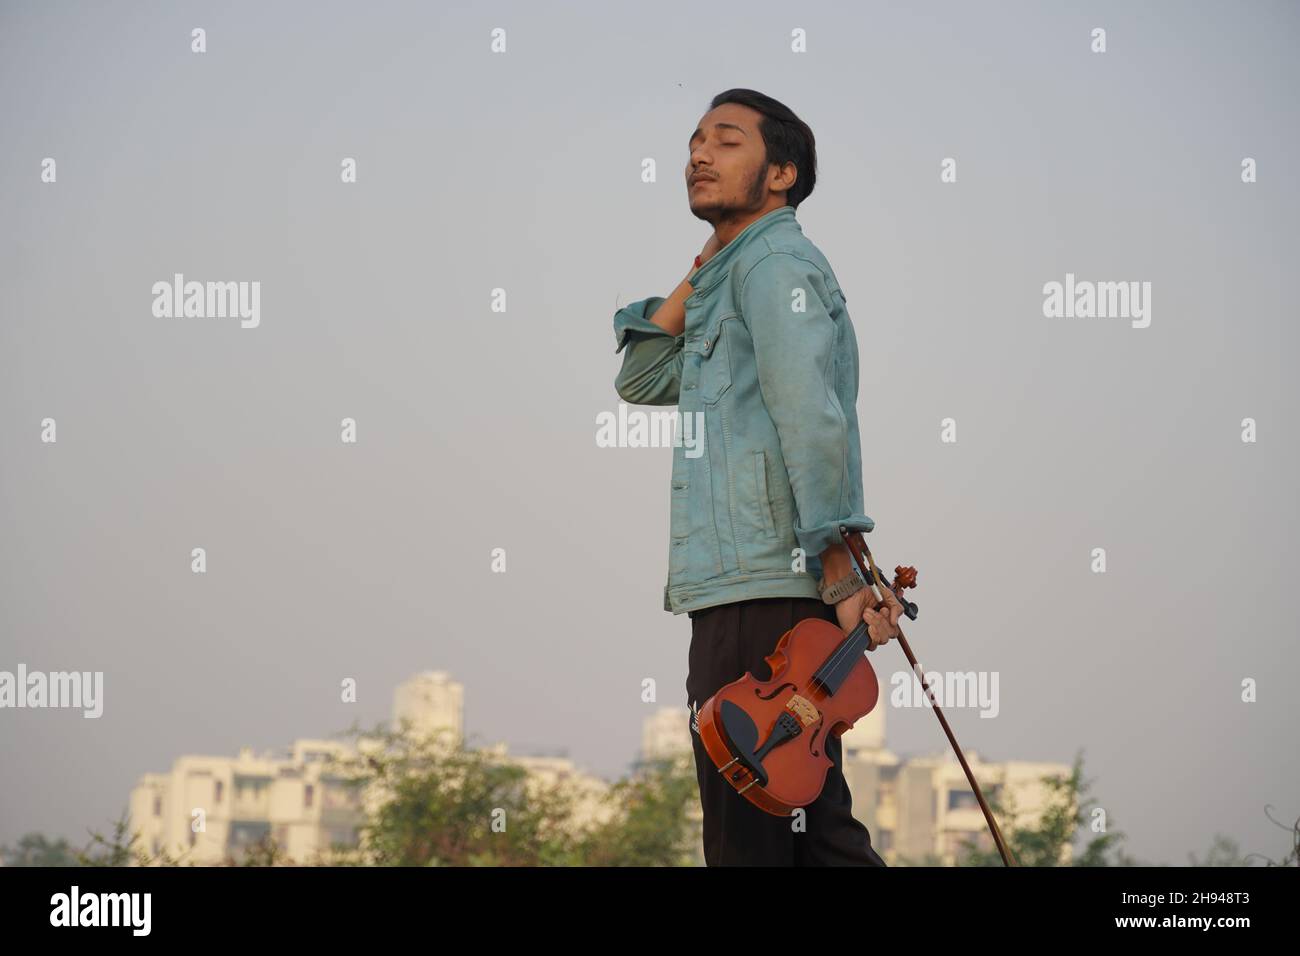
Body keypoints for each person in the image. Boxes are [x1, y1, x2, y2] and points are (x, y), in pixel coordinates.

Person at [612, 89, 904, 865]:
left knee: (755, 841)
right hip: (740, 586)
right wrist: (701, 270)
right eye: (695, 141)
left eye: (727, 141)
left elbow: (812, 417)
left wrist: (839, 571)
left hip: (765, 587)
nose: (699, 155)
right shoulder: (737, 273)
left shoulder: (776, 266)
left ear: (781, 173)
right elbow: (638, 380)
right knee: (802, 832)